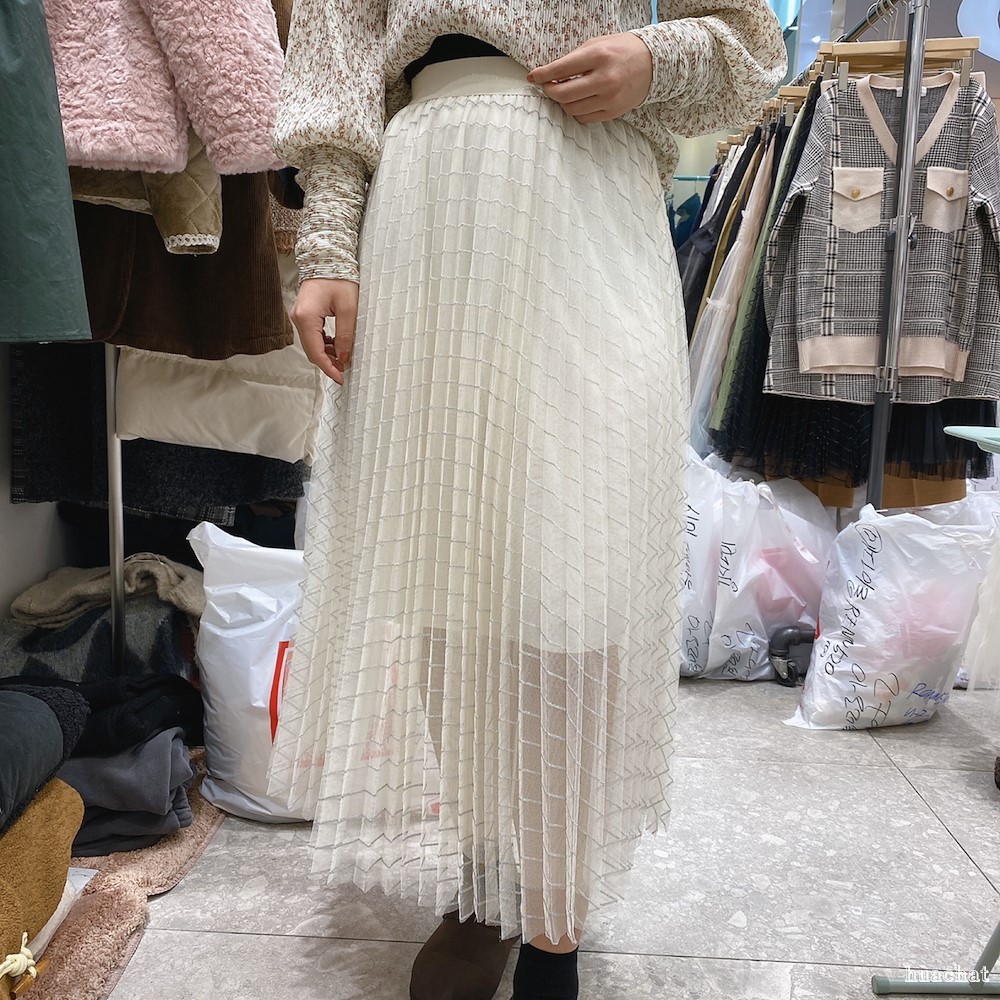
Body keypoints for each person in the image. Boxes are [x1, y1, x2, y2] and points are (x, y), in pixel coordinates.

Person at [267, 4, 786, 999]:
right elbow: (338, 41)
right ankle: (484, 868)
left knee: (572, 572)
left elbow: (747, 43)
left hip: (588, 188)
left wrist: (656, 55)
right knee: (443, 566)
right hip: (426, 195)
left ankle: (554, 911)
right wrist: (327, 241)